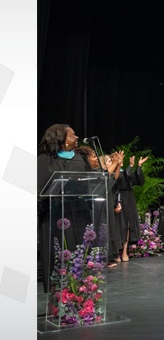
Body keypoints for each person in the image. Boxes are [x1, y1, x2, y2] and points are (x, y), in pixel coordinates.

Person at [37, 124, 92, 292]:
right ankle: (59, 293)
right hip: (55, 217)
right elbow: (40, 190)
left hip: (79, 215)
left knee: (79, 252)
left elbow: (91, 183)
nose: (76, 137)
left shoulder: (80, 159)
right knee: (58, 252)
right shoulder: (45, 161)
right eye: (72, 135)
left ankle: (82, 290)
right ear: (62, 140)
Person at [117, 154, 148, 262]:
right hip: (119, 198)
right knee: (120, 224)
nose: (120, 160)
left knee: (128, 225)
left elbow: (136, 180)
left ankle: (125, 251)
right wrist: (130, 166)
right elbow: (121, 180)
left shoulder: (124, 171)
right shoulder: (114, 173)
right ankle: (116, 253)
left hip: (129, 199)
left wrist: (138, 166)